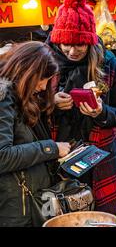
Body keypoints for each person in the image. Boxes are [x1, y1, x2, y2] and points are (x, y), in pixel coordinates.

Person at [47, 0, 116, 214]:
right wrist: (50, 103)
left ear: (90, 42)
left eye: (80, 45)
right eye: (66, 44)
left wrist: (101, 112)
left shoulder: (109, 62)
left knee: (106, 215)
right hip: (57, 155)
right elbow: (27, 112)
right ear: (58, 40)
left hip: (101, 156)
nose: (72, 51)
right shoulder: (45, 62)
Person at [0, 42, 71, 227]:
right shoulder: (4, 96)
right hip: (15, 210)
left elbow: (18, 129)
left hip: (26, 202)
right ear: (28, 72)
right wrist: (51, 148)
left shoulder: (17, 94)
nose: (43, 86)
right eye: (43, 79)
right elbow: (2, 155)